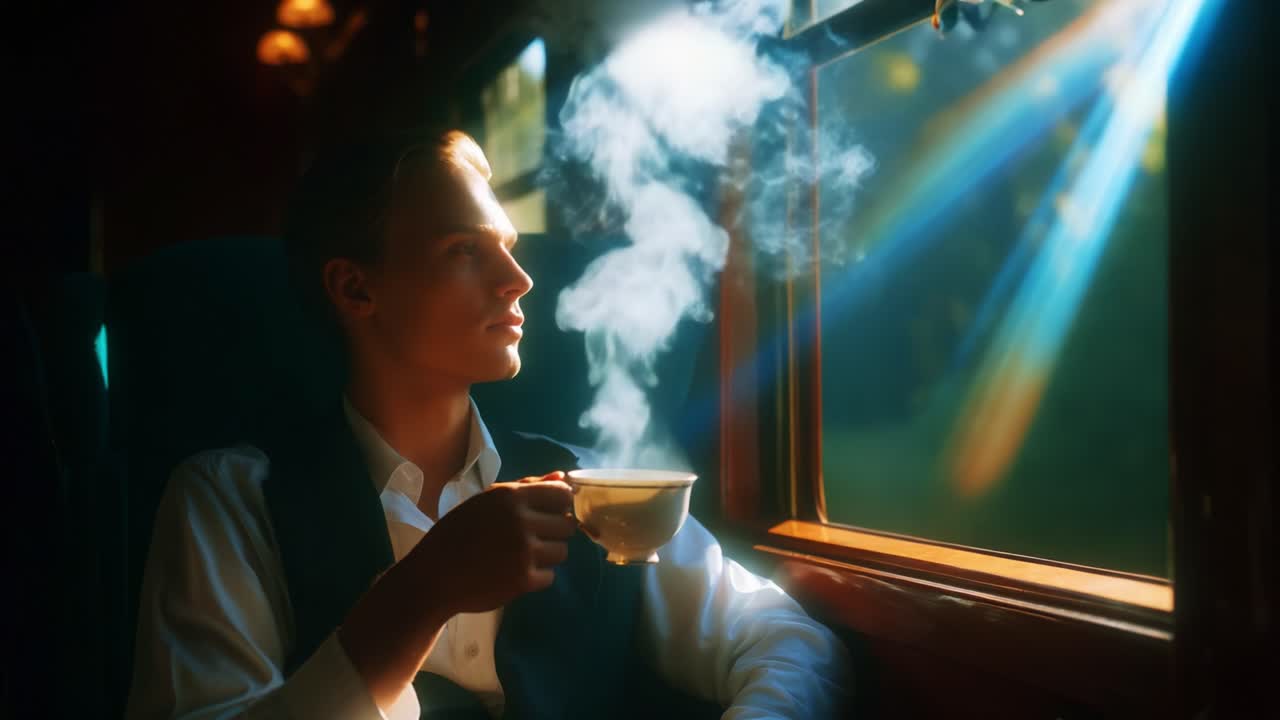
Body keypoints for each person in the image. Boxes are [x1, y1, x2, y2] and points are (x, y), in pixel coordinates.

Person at [125, 128, 852, 719]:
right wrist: (421, 594)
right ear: (355, 287)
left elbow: (790, 643)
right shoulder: (228, 501)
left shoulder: (595, 489)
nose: (519, 279)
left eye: (507, 244)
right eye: (464, 251)